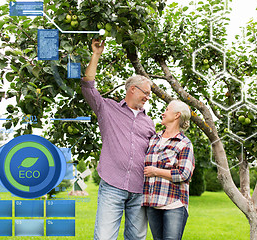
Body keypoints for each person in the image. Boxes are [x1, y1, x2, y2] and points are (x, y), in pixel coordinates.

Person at [81, 38, 155, 240]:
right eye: (146, 93)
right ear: (133, 89)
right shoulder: (107, 108)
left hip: (140, 188)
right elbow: (88, 87)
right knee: (104, 237)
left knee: (137, 238)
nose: (148, 97)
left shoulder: (149, 123)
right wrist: (96, 54)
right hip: (112, 185)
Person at [143, 100, 195, 240]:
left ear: (177, 115)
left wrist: (156, 171)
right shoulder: (154, 139)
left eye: (167, 110)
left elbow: (184, 174)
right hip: (153, 203)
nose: (163, 113)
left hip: (174, 204)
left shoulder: (184, 143)